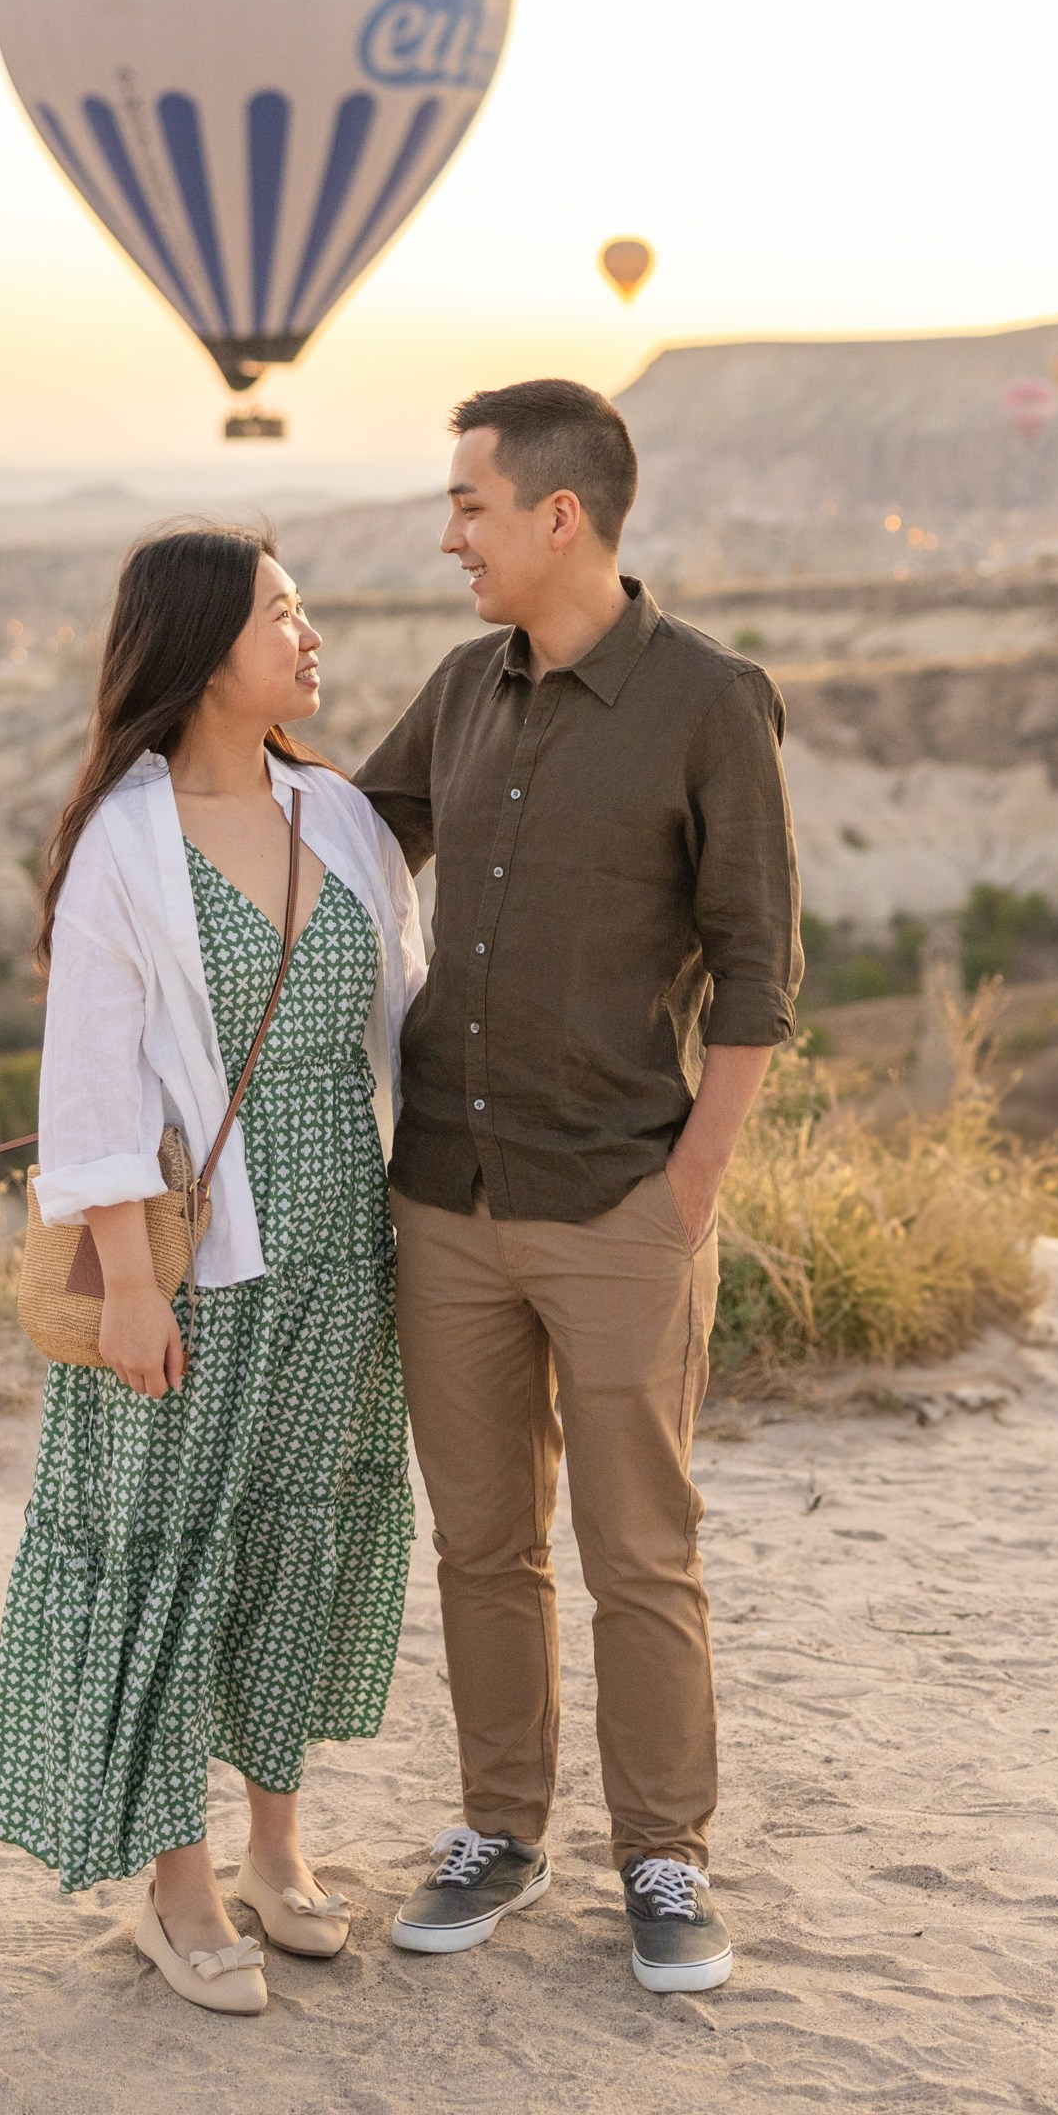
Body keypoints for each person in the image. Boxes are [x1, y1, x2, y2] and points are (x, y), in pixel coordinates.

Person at [357, 379, 801, 1995]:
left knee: (637, 1550)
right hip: (445, 1197)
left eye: (467, 503)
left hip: (618, 1200)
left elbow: (760, 972)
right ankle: (499, 1829)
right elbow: (342, 837)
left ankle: (665, 1858)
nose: (447, 533)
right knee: (481, 1545)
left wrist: (686, 1192)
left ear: (558, 515)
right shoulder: (462, 689)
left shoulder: (708, 702)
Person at [0, 526, 425, 2019]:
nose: (307, 633)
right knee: (173, 1549)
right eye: (278, 613)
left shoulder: (339, 815)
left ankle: (275, 1849)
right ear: (199, 649)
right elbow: (91, 1084)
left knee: (294, 1543)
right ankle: (175, 1886)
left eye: (301, 608)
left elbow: (400, 1021)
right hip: (198, 1258)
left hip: (338, 1246)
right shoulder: (126, 840)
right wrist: (128, 1282)